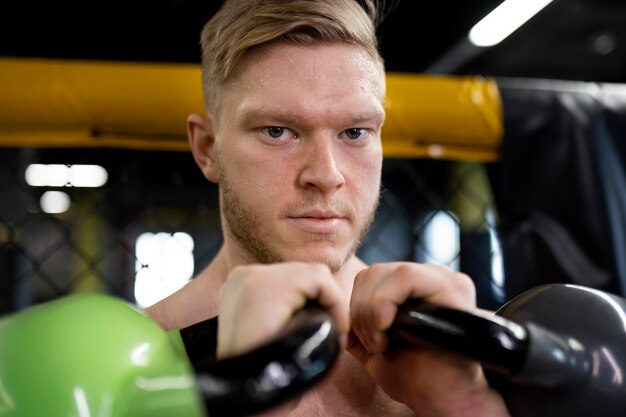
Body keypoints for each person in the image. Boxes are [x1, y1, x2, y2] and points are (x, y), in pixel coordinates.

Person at [146, 0, 511, 415]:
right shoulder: (134, 363)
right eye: (277, 131)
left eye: (354, 132)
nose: (326, 174)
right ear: (207, 149)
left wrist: (463, 404)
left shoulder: (462, 349)